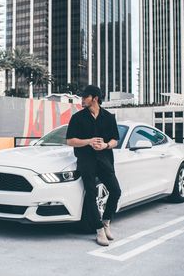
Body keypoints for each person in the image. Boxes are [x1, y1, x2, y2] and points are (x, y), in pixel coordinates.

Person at [66, 85, 121, 246]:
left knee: (116, 191)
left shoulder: (109, 117)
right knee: (91, 194)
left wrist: (105, 145)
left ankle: (106, 223)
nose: (82, 100)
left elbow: (115, 140)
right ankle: (98, 231)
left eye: (85, 97)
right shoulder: (77, 118)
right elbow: (70, 141)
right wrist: (88, 142)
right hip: (86, 160)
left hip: (105, 160)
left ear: (95, 98)